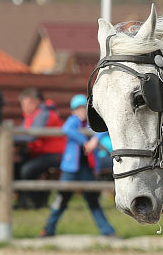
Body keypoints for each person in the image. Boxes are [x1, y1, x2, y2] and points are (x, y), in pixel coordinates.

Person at [40, 94, 115, 237]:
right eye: (78, 109)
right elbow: (67, 129)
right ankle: (48, 229)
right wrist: (85, 142)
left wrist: (94, 140)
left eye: (83, 108)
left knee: (93, 199)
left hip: (86, 169)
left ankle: (107, 231)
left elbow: (104, 129)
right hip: (70, 169)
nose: (81, 112)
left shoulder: (90, 123)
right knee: (61, 199)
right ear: (73, 111)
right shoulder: (73, 121)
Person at [16, 87, 66, 209]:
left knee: (27, 170)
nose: (25, 107)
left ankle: (33, 201)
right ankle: (25, 201)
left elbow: (31, 136)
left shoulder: (43, 114)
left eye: (28, 103)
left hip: (55, 154)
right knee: (17, 166)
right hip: (41, 153)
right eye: (23, 104)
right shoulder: (31, 116)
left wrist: (9, 137)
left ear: (36, 102)